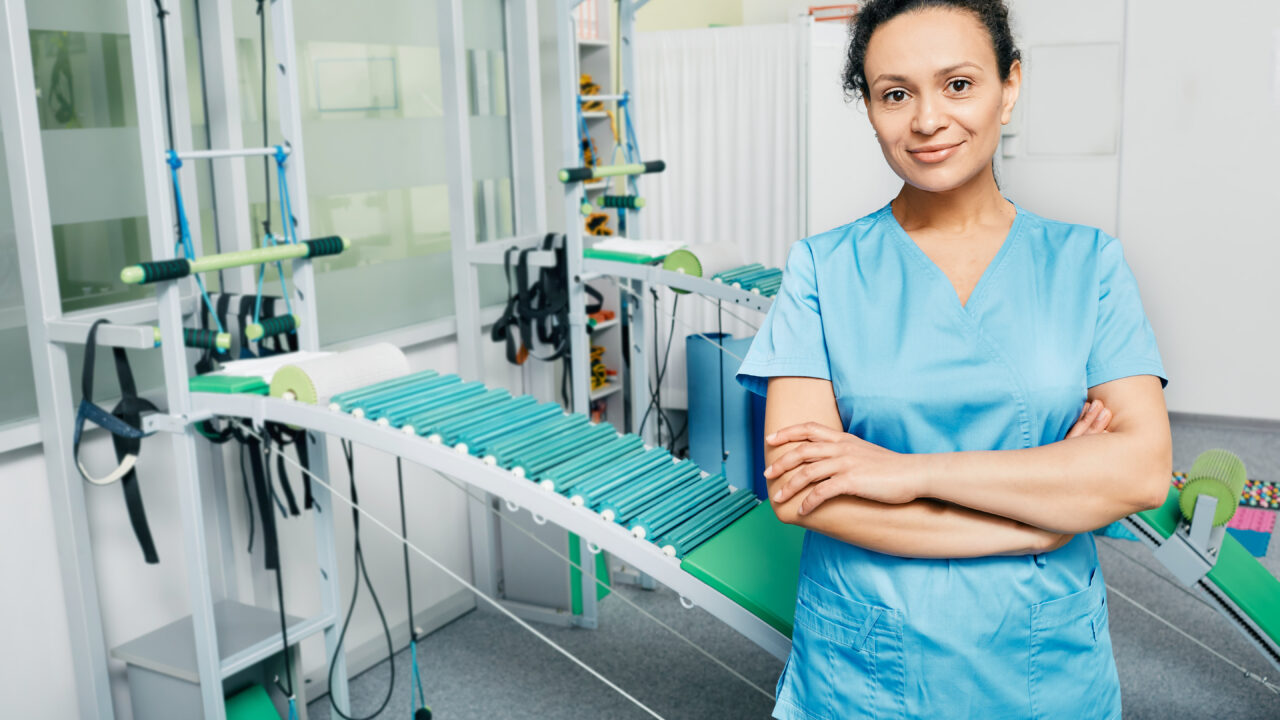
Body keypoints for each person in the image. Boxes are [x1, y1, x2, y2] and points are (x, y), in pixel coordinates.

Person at [735, 1, 1172, 718]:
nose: (928, 119)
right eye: (895, 94)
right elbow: (803, 491)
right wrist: (1039, 521)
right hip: (867, 667)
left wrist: (900, 473)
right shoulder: (822, 269)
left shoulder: (1088, 264)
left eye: (959, 84)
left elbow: (1141, 471)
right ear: (871, 109)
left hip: (1041, 663)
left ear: (1011, 85)